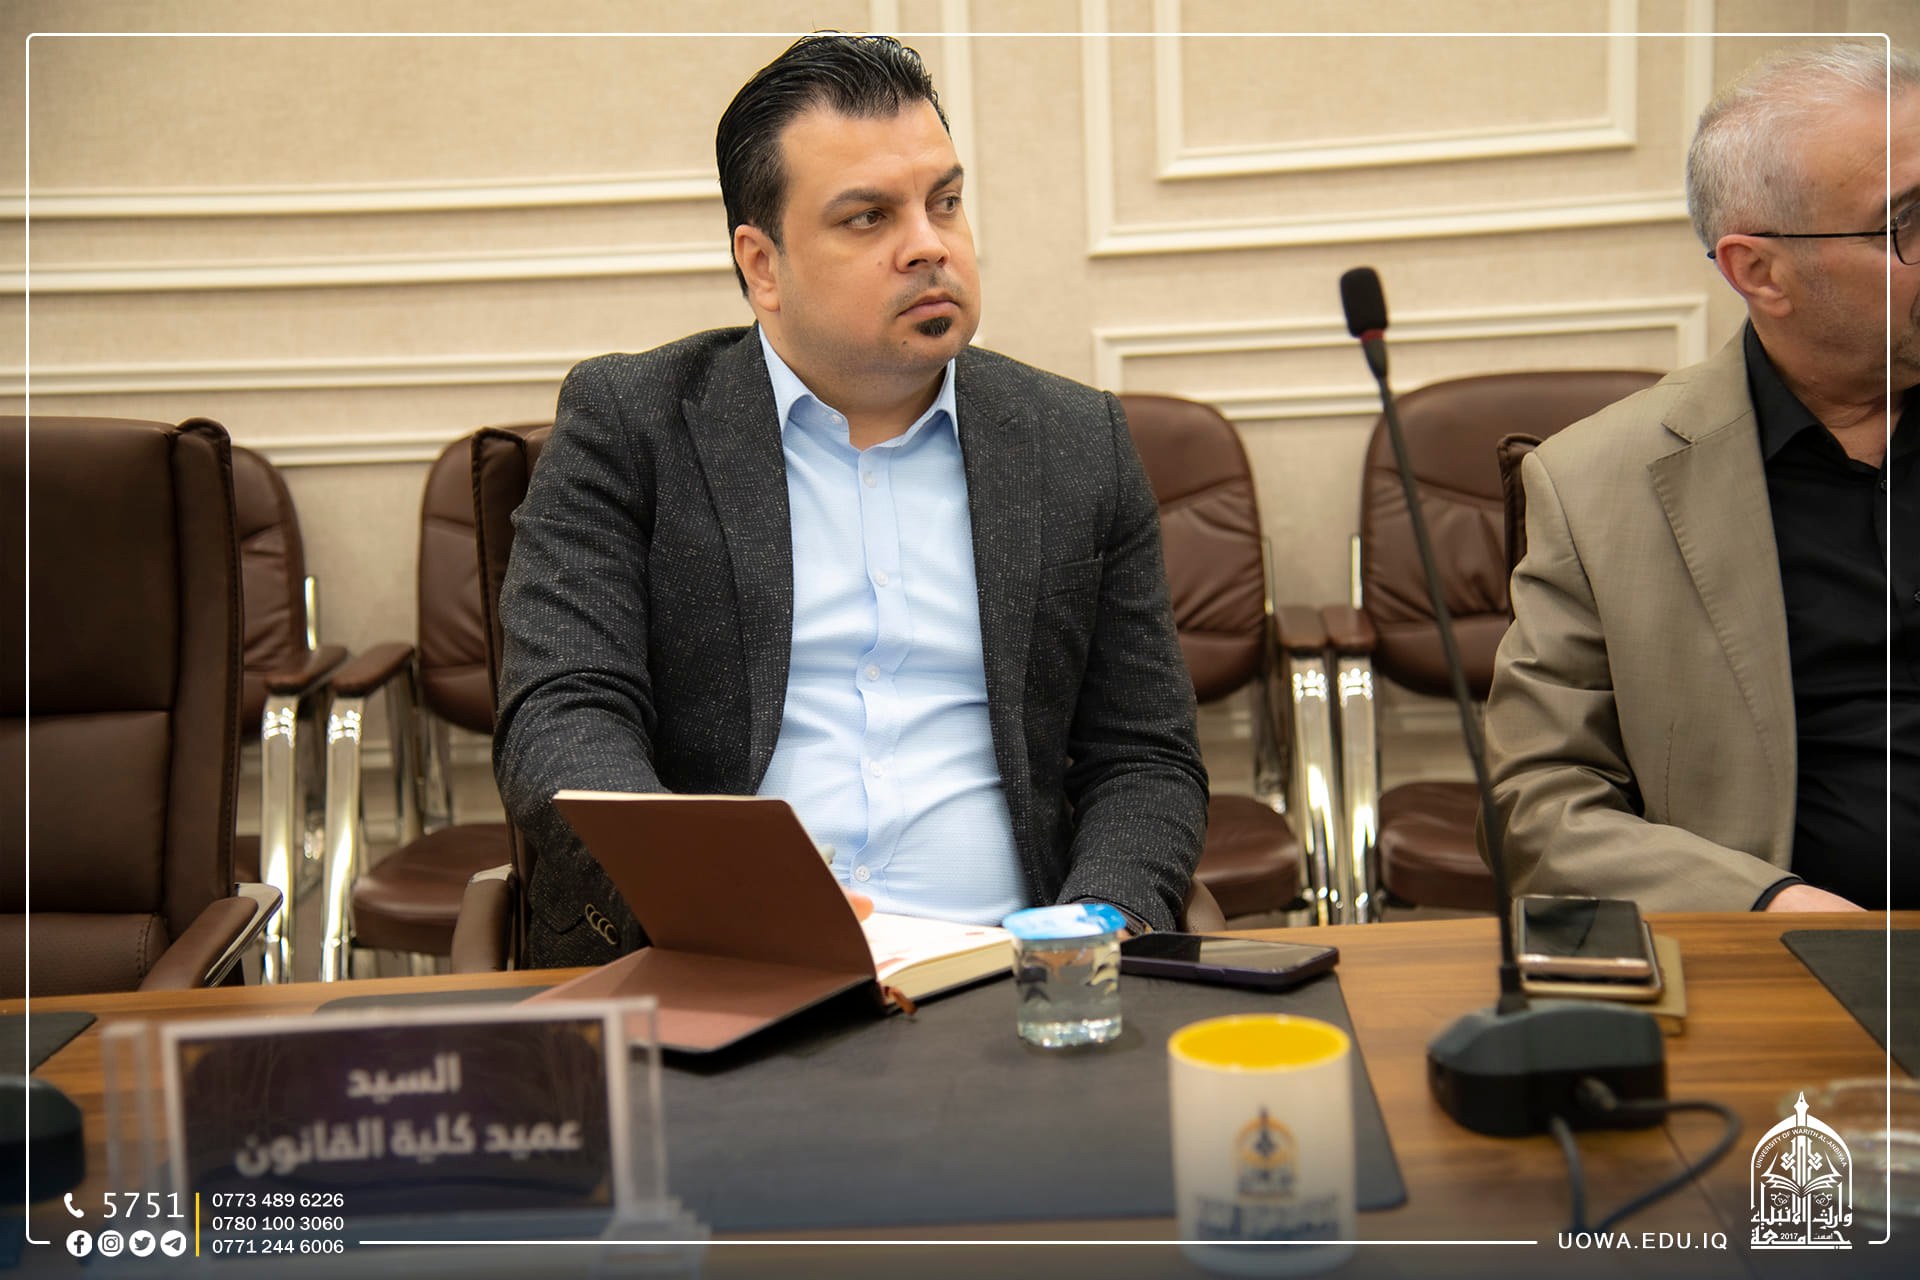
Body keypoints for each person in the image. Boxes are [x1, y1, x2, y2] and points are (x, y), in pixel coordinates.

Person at [493, 34, 1207, 966]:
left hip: (1013, 974)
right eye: (869, 218)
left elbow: (1144, 756)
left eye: (944, 202)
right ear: (763, 265)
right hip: (719, 963)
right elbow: (563, 715)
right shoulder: (632, 425)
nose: (930, 246)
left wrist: (1093, 933)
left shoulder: (1077, 441)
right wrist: (719, 906)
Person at [1483, 42, 1917, 913]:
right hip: (1795, 957)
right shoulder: (1597, 483)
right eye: (1906, 222)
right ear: (1759, 271)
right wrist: (1768, 906)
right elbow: (1542, 805)